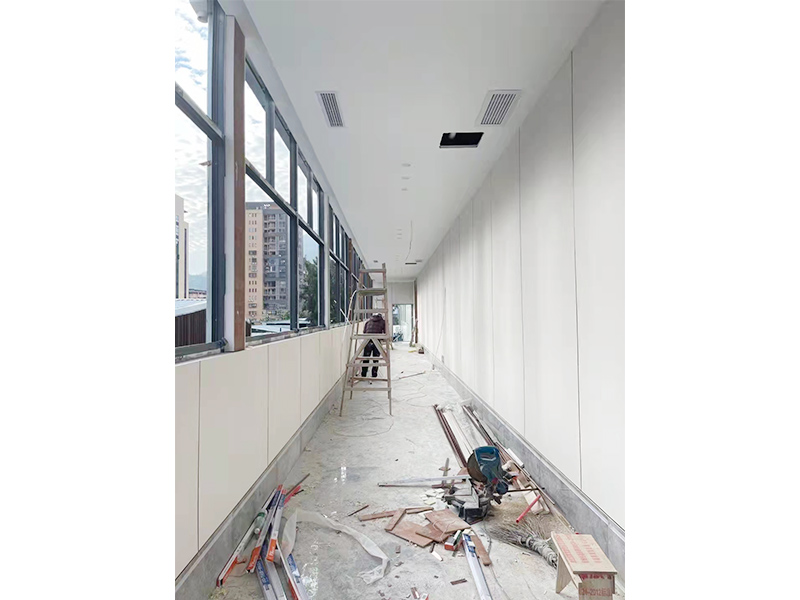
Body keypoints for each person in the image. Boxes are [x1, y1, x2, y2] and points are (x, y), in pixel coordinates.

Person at [361, 312, 386, 378]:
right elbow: (385, 333)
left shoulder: (368, 321)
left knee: (366, 358)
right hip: (376, 340)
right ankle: (374, 374)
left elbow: (364, 331)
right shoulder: (383, 322)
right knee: (376, 358)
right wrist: (383, 340)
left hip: (367, 340)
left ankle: (363, 374)